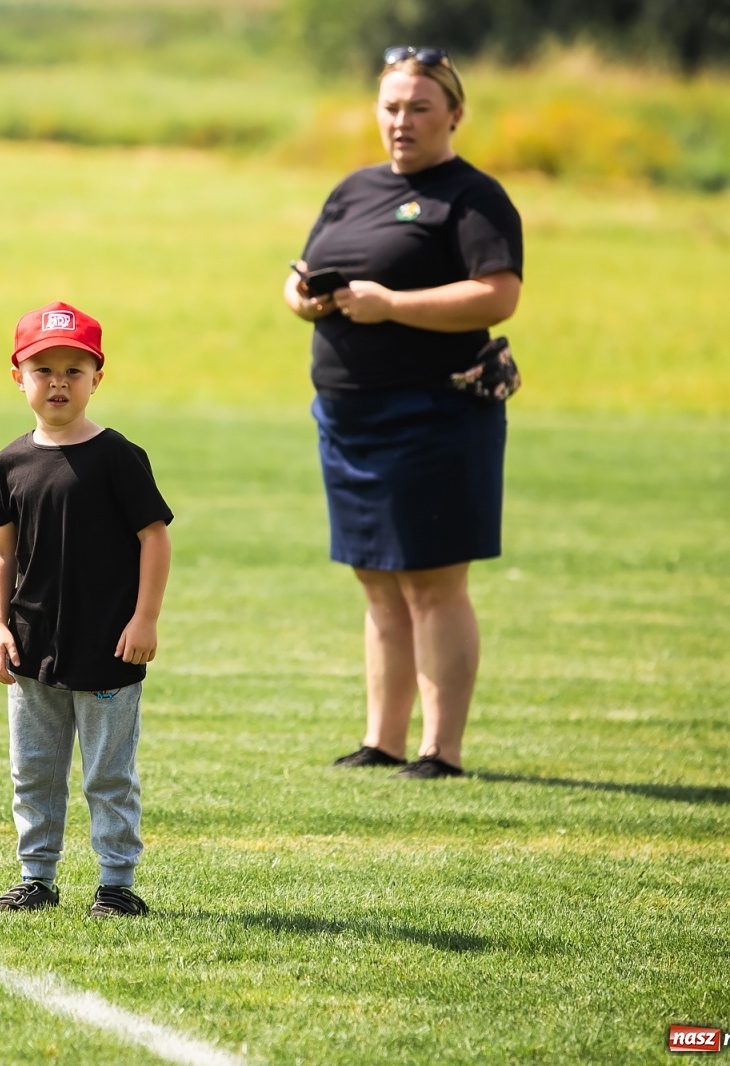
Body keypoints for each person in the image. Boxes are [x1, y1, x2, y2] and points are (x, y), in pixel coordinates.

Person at [283, 47, 522, 779]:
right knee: (378, 578)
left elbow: (497, 294)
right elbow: (297, 275)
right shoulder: (352, 189)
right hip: (350, 417)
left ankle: (440, 750)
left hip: (435, 415)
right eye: (391, 106)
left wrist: (391, 306)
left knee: (432, 581)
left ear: (454, 113)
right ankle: (383, 739)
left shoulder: (473, 198)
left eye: (420, 107)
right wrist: (304, 298)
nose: (402, 120)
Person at [0, 301, 172, 916]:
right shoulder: (9, 464)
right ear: (18, 377)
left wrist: (144, 619)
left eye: (74, 369)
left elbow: (155, 538)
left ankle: (116, 883)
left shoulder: (118, 456)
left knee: (107, 775)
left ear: (98, 377)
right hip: (33, 646)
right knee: (34, 770)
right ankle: (37, 876)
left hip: (109, 646)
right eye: (43, 369)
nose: (58, 382)